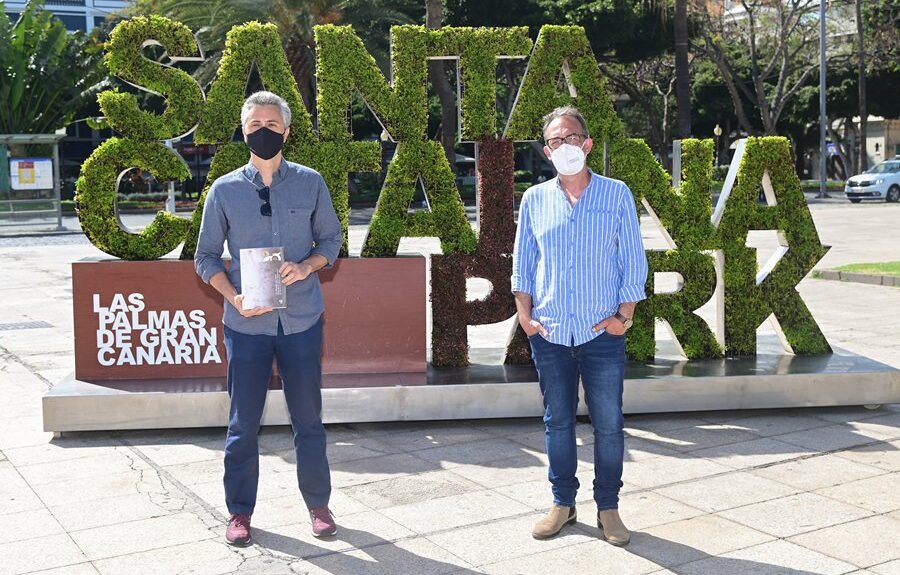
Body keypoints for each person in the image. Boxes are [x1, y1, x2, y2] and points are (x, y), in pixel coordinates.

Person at [195, 91, 342, 546]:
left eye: (273, 124)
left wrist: (306, 267)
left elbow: (331, 241)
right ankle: (239, 513)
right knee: (242, 424)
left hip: (301, 322)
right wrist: (234, 298)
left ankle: (318, 505)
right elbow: (205, 258)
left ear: (287, 131)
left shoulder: (311, 182)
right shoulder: (223, 190)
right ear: (243, 130)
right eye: (256, 123)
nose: (264, 130)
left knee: (309, 420)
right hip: (247, 326)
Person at [511, 105, 648, 546]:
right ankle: (562, 504)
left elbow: (633, 261)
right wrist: (525, 317)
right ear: (546, 152)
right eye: (555, 141)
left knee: (608, 423)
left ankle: (608, 508)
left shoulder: (616, 194)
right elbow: (524, 263)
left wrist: (623, 317)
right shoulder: (535, 199)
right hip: (550, 334)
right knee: (558, 423)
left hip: (601, 334)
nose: (564, 146)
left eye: (571, 138)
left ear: (586, 145)